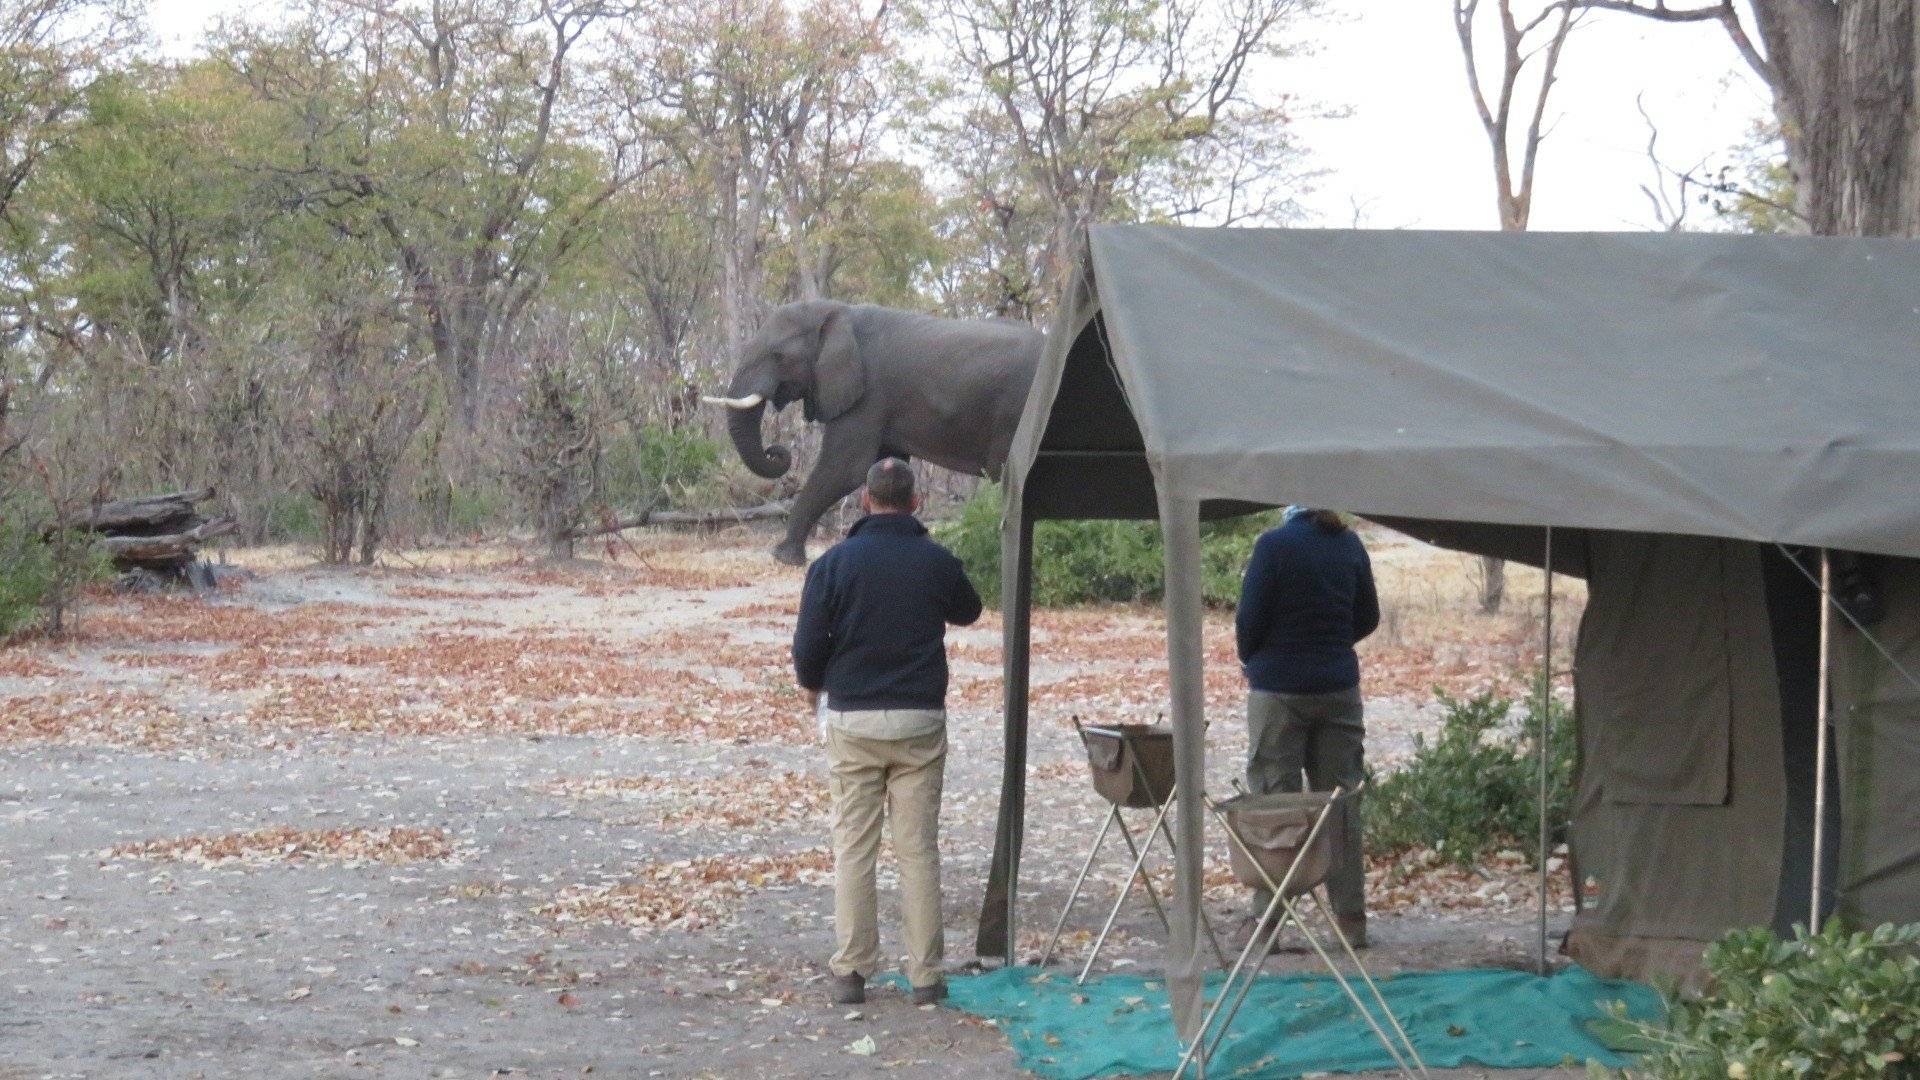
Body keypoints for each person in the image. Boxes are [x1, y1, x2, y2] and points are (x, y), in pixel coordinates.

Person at [793, 458, 983, 1006]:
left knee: (855, 847)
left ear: (865, 501)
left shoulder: (832, 565)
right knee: (918, 849)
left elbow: (808, 647)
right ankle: (926, 977)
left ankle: (852, 971)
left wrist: (813, 686)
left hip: (853, 717)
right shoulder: (936, 561)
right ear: (917, 501)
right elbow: (968, 610)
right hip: (919, 717)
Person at [1235, 506, 1380, 947]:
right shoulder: (1350, 544)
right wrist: (1330, 646)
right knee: (1340, 802)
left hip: (1278, 690)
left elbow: (1249, 622)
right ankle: (1350, 920)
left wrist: (1258, 659)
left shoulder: (1273, 546)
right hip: (1338, 688)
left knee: (1275, 805)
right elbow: (1368, 616)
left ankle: (1268, 922)